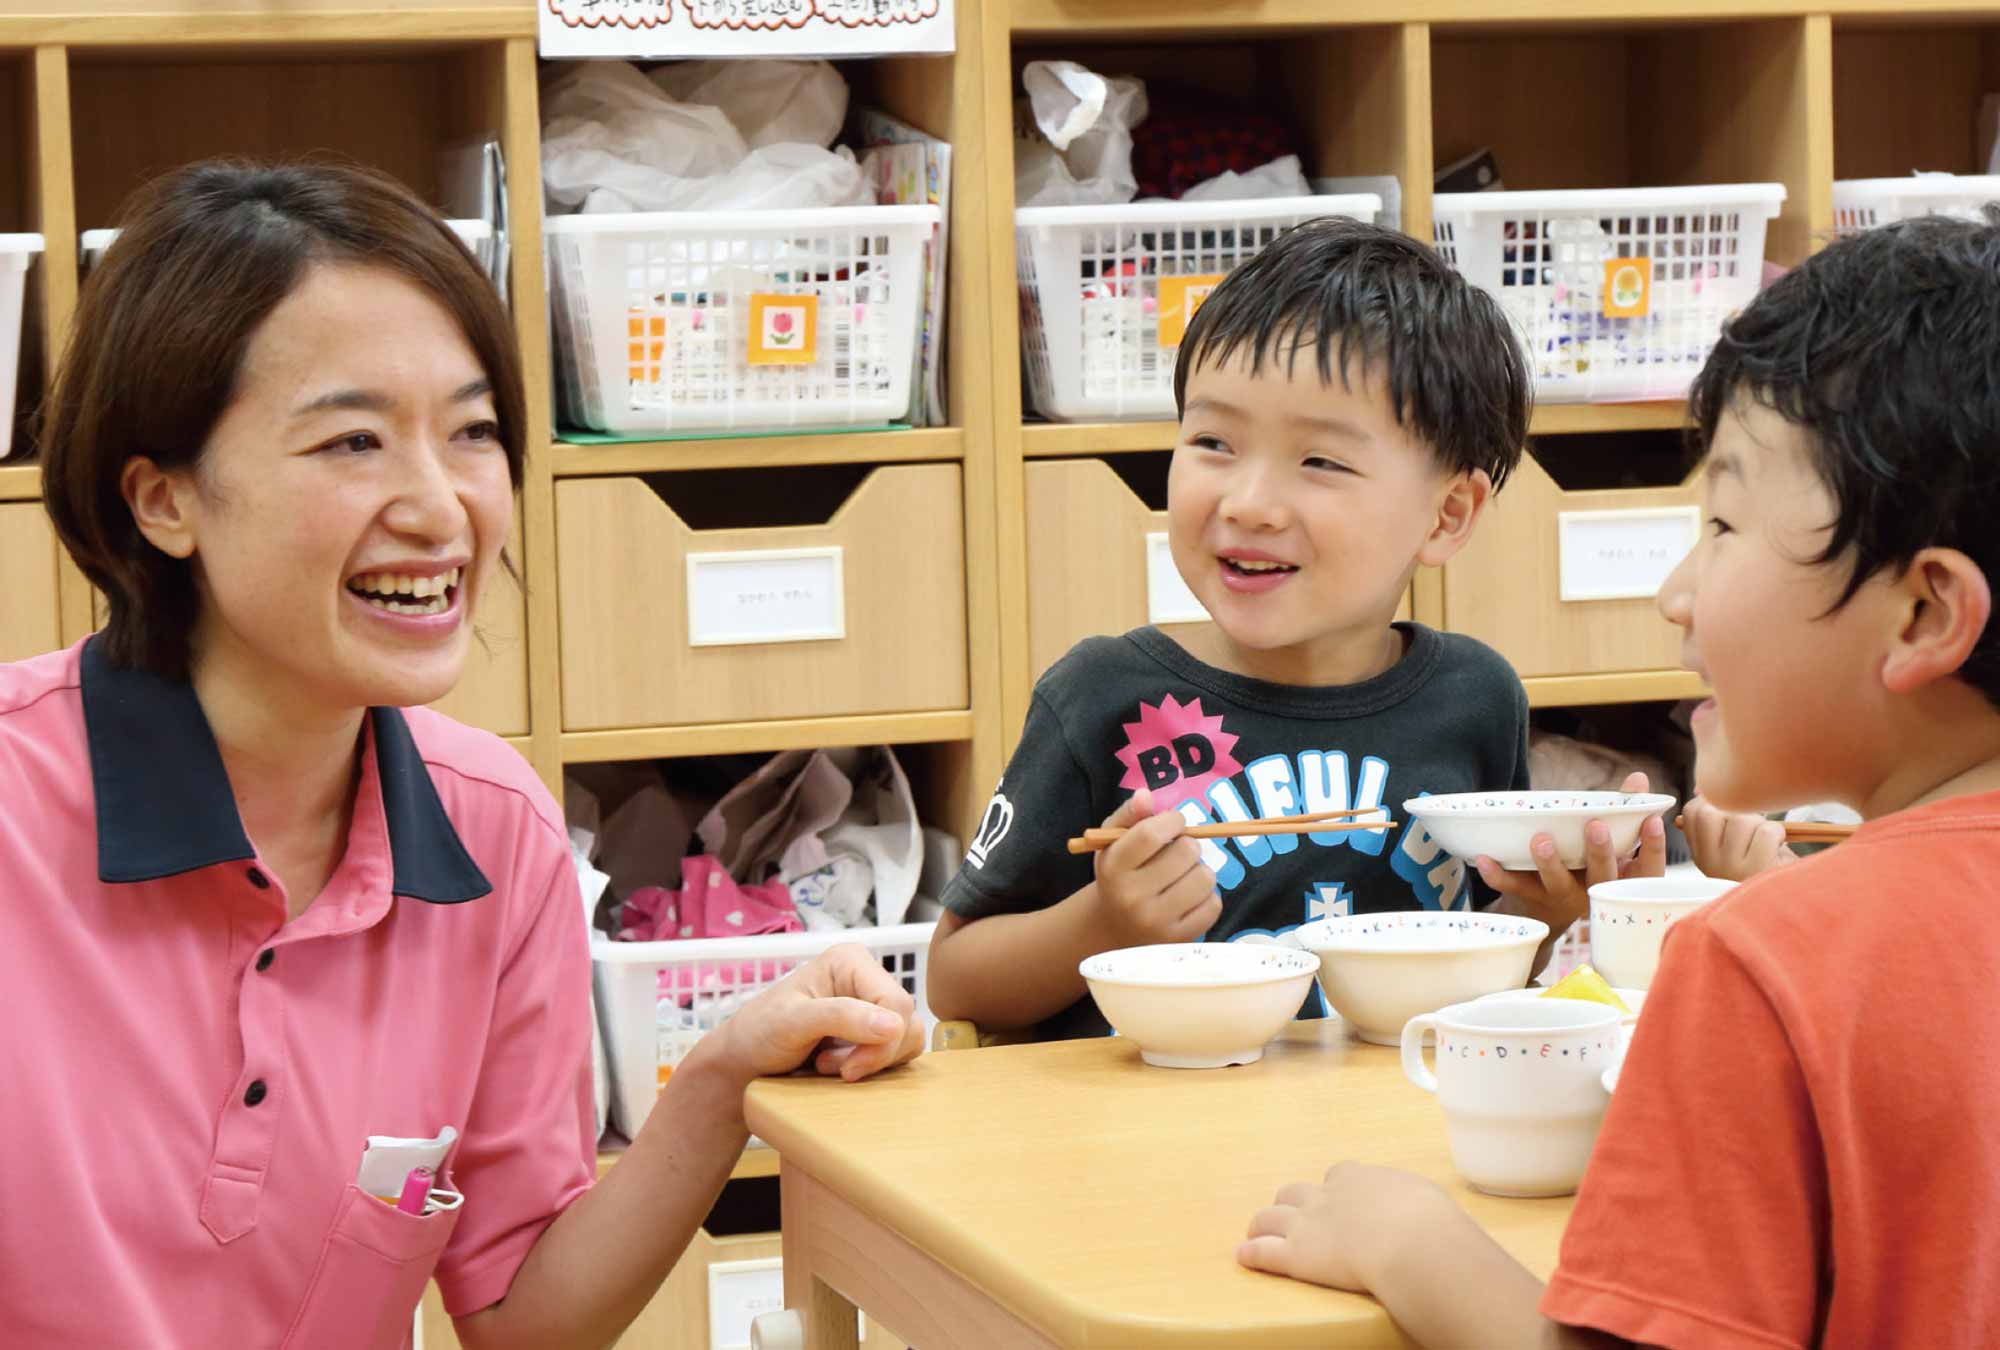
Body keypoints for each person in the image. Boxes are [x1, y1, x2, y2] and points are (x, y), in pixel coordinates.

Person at [0, 159, 923, 1349]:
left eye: (472, 432)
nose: (440, 507)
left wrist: (719, 1080)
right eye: (352, 443)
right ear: (162, 499)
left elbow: (522, 1317)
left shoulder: (495, 830)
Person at [1238, 209, 2000, 1349]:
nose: (1676, 590)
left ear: (1924, 611)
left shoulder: (1764, 961)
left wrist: (1409, 1243)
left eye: (1724, 521)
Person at [927, 216, 1666, 1040]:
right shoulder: (1102, 695)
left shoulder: (1476, 697)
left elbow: (1474, 974)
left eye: (1320, 461)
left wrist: (1550, 910)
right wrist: (1103, 923)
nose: (1247, 502)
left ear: (1447, 514)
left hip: (1389, 1138)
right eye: (1212, 441)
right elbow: (957, 981)